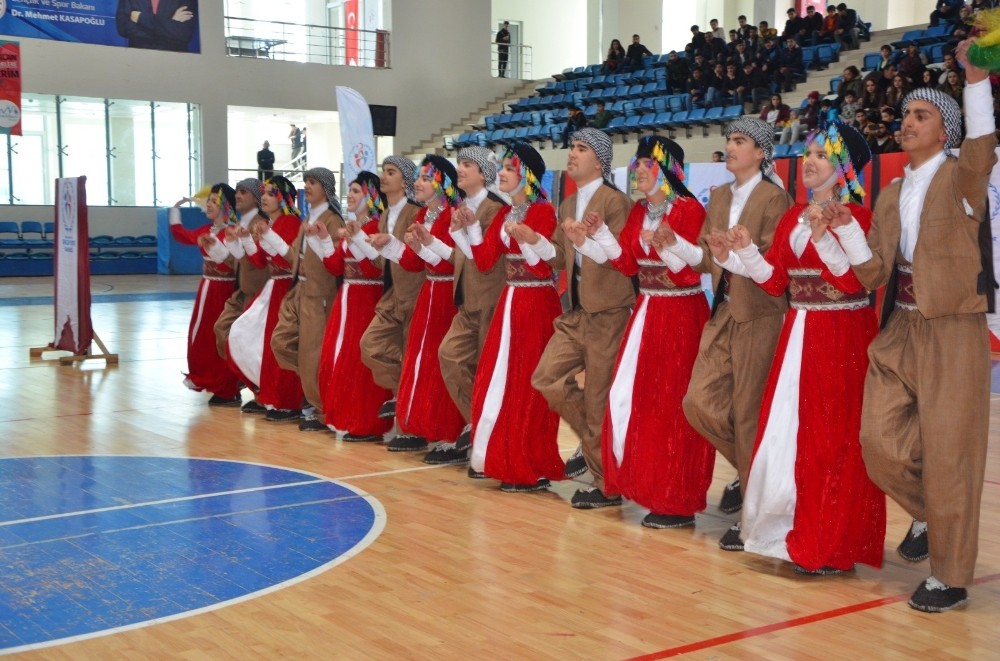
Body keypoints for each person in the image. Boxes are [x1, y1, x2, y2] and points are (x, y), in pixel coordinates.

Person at [830, 39, 997, 613]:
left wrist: (975, 80)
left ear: (945, 130)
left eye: (921, 115)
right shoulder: (893, 192)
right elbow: (875, 270)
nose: (907, 122)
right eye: (905, 114)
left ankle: (950, 576)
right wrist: (843, 229)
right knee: (877, 441)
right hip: (900, 327)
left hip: (952, 328)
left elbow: (982, 146)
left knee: (952, 453)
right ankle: (930, 513)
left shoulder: (961, 178)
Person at [718, 122, 886, 574]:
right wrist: (740, 253)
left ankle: (829, 542)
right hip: (799, 331)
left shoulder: (857, 218)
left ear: (844, 168)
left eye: (822, 156)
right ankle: (786, 530)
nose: (809, 162)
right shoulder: (792, 216)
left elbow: (852, 282)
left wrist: (824, 236)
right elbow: (775, 281)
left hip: (840, 333)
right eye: (808, 153)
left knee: (831, 437)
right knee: (790, 431)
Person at [677, 118, 792, 549]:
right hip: (725, 308)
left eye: (740, 141)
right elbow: (709, 261)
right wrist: (675, 246)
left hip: (761, 314)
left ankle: (750, 516)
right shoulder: (721, 195)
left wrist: (734, 252)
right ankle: (751, 472)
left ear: (761, 153)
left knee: (747, 411)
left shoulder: (774, 198)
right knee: (698, 402)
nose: (730, 146)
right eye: (729, 139)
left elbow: (773, 267)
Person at [595, 136, 714, 529]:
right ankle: (645, 484)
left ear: (668, 170)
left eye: (648, 163)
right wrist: (598, 236)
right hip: (647, 310)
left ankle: (677, 499)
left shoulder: (690, 209)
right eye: (637, 163)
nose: (639, 169)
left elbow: (689, 271)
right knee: (631, 398)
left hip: (680, 313)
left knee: (670, 405)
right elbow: (628, 264)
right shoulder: (639, 211)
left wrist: (666, 245)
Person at [529, 128, 634, 508]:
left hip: (609, 313)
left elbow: (620, 259)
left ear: (600, 162)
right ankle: (595, 447)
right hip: (576, 314)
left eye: (582, 148)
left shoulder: (616, 202)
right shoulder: (569, 203)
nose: (572, 154)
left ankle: (607, 484)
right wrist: (534, 241)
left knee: (599, 399)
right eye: (572, 147)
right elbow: (560, 257)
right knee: (547, 378)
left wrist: (583, 240)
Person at [459, 142, 565, 491]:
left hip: (535, 303)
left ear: (527, 176)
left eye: (509, 169)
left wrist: (528, 240)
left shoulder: (544, 212)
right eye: (502, 167)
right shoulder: (506, 213)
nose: (501, 174)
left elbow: (544, 268)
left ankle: (530, 463)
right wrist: (472, 228)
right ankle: (500, 456)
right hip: (511, 299)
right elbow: (485, 260)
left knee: (524, 382)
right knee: (499, 379)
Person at [426, 146, 506, 465]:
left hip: (489, 300)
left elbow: (485, 258)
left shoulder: (496, 209)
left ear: (483, 173)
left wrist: (464, 232)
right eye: (460, 163)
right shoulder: (463, 207)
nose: (460, 169)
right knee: (449, 355)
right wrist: (430, 243)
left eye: (468, 164)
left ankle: (487, 437)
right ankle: (478, 422)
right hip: (467, 302)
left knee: (486, 371)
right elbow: (461, 256)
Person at [380, 155, 465, 452]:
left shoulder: (453, 215)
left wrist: (424, 246)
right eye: (418, 177)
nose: (417, 183)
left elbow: (454, 262)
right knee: (420, 359)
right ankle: (424, 426)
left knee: (437, 361)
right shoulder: (423, 215)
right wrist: (391, 246)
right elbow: (414, 263)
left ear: (442, 184)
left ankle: (449, 432)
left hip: (446, 295)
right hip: (429, 291)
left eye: (426, 178)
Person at [317, 171, 392, 441]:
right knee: (337, 357)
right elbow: (335, 265)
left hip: (365, 300)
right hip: (346, 299)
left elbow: (374, 269)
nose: (350, 195)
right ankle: (345, 416)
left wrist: (356, 238)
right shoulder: (355, 227)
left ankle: (367, 422)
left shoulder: (375, 228)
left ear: (371, 196)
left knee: (358, 362)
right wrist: (323, 239)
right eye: (349, 190)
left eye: (357, 190)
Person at [270, 167, 345, 432]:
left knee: (313, 352)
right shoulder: (308, 217)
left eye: (313, 182)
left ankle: (319, 408)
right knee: (281, 342)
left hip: (319, 294)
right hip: (299, 289)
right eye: (306, 182)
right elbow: (293, 255)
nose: (308, 186)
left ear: (325, 187)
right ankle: (312, 391)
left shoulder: (332, 220)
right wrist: (267, 237)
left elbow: (334, 259)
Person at [227, 176, 305, 421]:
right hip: (274, 287)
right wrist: (244, 239)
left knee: (278, 344)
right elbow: (260, 261)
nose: (265, 198)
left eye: (271, 193)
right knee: (249, 335)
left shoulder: (291, 222)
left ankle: (288, 400)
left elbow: (290, 259)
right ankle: (269, 394)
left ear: (283, 198)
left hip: (286, 288)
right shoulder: (270, 223)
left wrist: (267, 236)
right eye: (264, 193)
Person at [360, 156, 423, 425]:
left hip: (415, 292)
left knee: (411, 350)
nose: (383, 177)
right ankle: (403, 390)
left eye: (391, 172)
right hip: (394, 295)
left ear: (405, 180)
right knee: (370, 344)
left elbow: (417, 257)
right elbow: (381, 263)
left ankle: (408, 406)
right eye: (383, 171)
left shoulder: (415, 213)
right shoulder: (385, 215)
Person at [168, 184, 241, 406]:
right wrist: (175, 212)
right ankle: (216, 383)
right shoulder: (206, 230)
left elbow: (232, 264)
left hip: (224, 291)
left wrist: (215, 247)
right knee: (202, 337)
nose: (208, 204)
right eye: (208, 200)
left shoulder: (233, 232)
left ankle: (227, 387)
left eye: (214, 201)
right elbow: (181, 234)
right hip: (207, 289)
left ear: (226, 206)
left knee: (220, 337)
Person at [216, 178, 271, 414]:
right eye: (237, 191)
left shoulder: (261, 225)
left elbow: (260, 261)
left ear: (256, 198)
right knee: (222, 330)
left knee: (254, 346)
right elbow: (235, 261)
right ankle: (243, 378)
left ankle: (261, 393)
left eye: (244, 192)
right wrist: (215, 247)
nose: (238, 195)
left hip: (258, 292)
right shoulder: (239, 224)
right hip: (241, 291)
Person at [115, 0, 197, 52]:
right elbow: (122, 28)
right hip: (139, 55)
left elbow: (184, 34)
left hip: (173, 57)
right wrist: (170, 24)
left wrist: (141, 18)